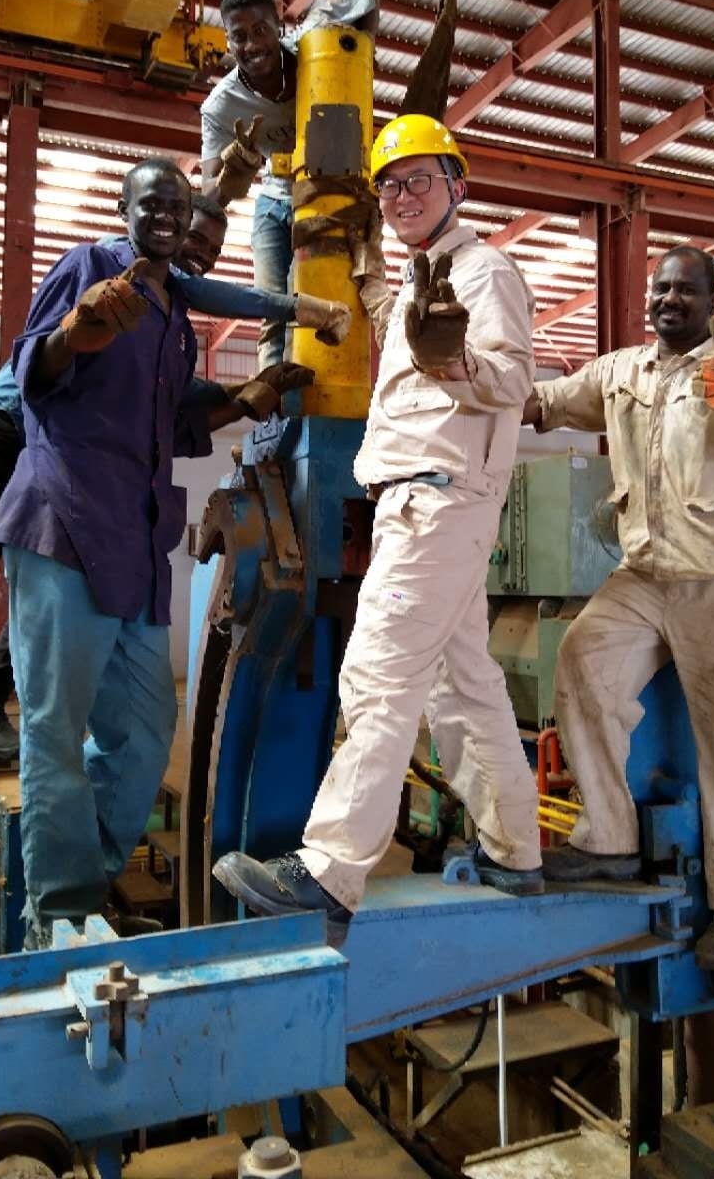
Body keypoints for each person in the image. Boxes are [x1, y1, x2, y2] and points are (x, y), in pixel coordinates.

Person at [0, 194, 348, 791]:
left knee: (62, 582)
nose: (196, 253)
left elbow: (173, 397)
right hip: (13, 423)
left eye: (207, 246)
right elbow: (232, 300)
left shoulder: (170, 316)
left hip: (76, 451)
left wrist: (242, 395)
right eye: (189, 237)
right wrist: (305, 310)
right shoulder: (103, 266)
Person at [213, 115, 544, 943]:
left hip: (438, 499)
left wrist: (454, 359)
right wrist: (363, 270)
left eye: (420, 179)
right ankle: (517, 850)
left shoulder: (485, 270)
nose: (403, 195)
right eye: (390, 185)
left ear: (457, 184)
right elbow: (398, 317)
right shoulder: (424, 280)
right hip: (422, 503)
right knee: (461, 685)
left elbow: (510, 382)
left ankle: (329, 873)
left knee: (376, 678)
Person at [525, 246, 714, 972]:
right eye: (661, 289)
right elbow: (543, 402)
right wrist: (466, 373)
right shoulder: (622, 372)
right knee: (583, 661)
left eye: (686, 291)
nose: (669, 300)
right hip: (646, 577)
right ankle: (607, 837)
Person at [200, 0, 378, 368]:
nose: (252, 45)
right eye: (239, 37)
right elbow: (208, 196)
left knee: (338, 298)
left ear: (279, 27)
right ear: (228, 42)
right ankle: (273, 401)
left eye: (261, 30)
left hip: (330, 198)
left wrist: (360, 59)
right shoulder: (220, 108)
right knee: (273, 310)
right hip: (274, 203)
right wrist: (234, 175)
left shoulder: (312, 45)